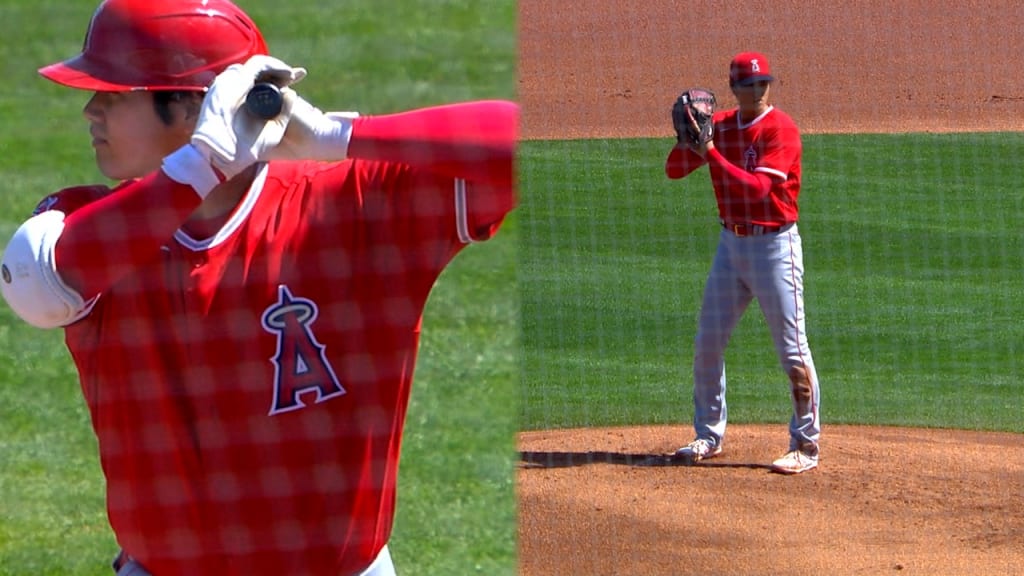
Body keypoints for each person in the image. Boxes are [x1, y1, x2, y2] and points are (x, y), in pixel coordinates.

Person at [0, 0, 517, 574]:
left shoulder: (355, 204)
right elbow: (37, 288)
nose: (91, 111)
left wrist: (338, 135)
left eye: (116, 95)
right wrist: (202, 165)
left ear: (199, 104)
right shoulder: (96, 225)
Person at [664, 51, 821, 475]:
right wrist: (688, 140)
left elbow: (756, 191)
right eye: (749, 84)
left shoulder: (780, 130)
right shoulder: (722, 126)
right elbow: (673, 171)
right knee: (707, 342)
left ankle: (805, 444)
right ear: (733, 88)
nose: (758, 89)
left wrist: (710, 152)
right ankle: (708, 435)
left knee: (792, 349)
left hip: (774, 248)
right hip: (730, 247)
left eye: (763, 82)